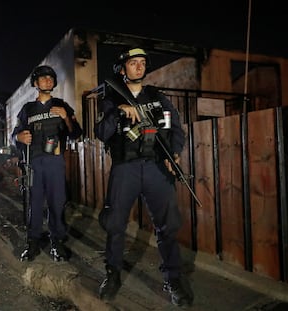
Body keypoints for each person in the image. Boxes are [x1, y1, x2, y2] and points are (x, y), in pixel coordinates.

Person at [94, 47, 193, 307]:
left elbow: (176, 128)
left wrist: (175, 154)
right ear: (122, 68)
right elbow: (102, 133)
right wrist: (119, 110)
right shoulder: (111, 97)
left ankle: (173, 279)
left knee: (168, 226)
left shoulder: (156, 96)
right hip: (125, 167)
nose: (139, 67)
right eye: (133, 63)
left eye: (142, 63)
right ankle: (113, 274)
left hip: (155, 167)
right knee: (115, 225)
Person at [11, 65, 82, 262]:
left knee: (56, 202)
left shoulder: (62, 105)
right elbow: (13, 137)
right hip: (33, 163)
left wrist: (66, 118)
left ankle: (56, 242)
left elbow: (76, 133)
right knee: (34, 202)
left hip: (55, 162)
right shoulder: (27, 109)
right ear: (36, 83)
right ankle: (33, 241)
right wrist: (19, 137)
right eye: (43, 78)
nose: (48, 80)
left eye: (50, 78)